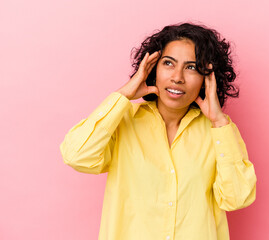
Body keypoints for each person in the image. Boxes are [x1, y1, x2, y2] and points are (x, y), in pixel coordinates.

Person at [60, 22, 257, 240]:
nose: (177, 77)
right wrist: (123, 95)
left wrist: (219, 122)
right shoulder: (123, 120)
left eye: (191, 67)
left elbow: (237, 198)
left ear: (207, 78)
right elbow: (76, 156)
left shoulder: (220, 132)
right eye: (168, 63)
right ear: (153, 68)